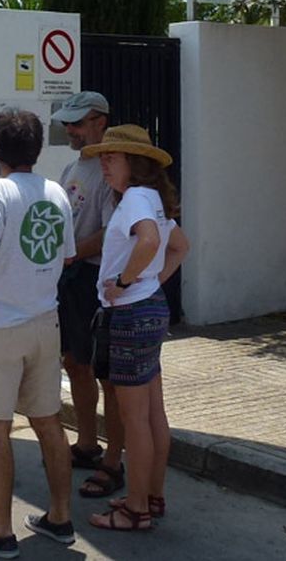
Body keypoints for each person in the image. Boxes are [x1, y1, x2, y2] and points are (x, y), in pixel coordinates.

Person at [0, 108, 76, 558]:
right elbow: (64, 257)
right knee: (49, 423)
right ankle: (60, 517)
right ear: (37, 148)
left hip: (1, 326)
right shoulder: (55, 193)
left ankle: (1, 532)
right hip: (46, 322)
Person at [81, 125, 189, 533]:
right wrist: (151, 282)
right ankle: (151, 496)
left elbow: (147, 241)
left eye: (112, 157)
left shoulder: (135, 202)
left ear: (134, 162)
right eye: (103, 157)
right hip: (148, 309)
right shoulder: (153, 200)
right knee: (152, 413)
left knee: (135, 419)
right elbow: (180, 246)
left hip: (128, 314)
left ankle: (135, 510)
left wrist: (127, 281)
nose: (104, 164)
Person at [49, 91, 121, 491]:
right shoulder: (70, 169)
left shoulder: (111, 171)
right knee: (75, 362)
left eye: (77, 123)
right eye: (68, 123)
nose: (70, 130)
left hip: (96, 280)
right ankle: (88, 443)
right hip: (72, 279)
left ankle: (114, 461)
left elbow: (113, 231)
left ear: (100, 121)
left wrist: (73, 255)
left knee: (107, 375)